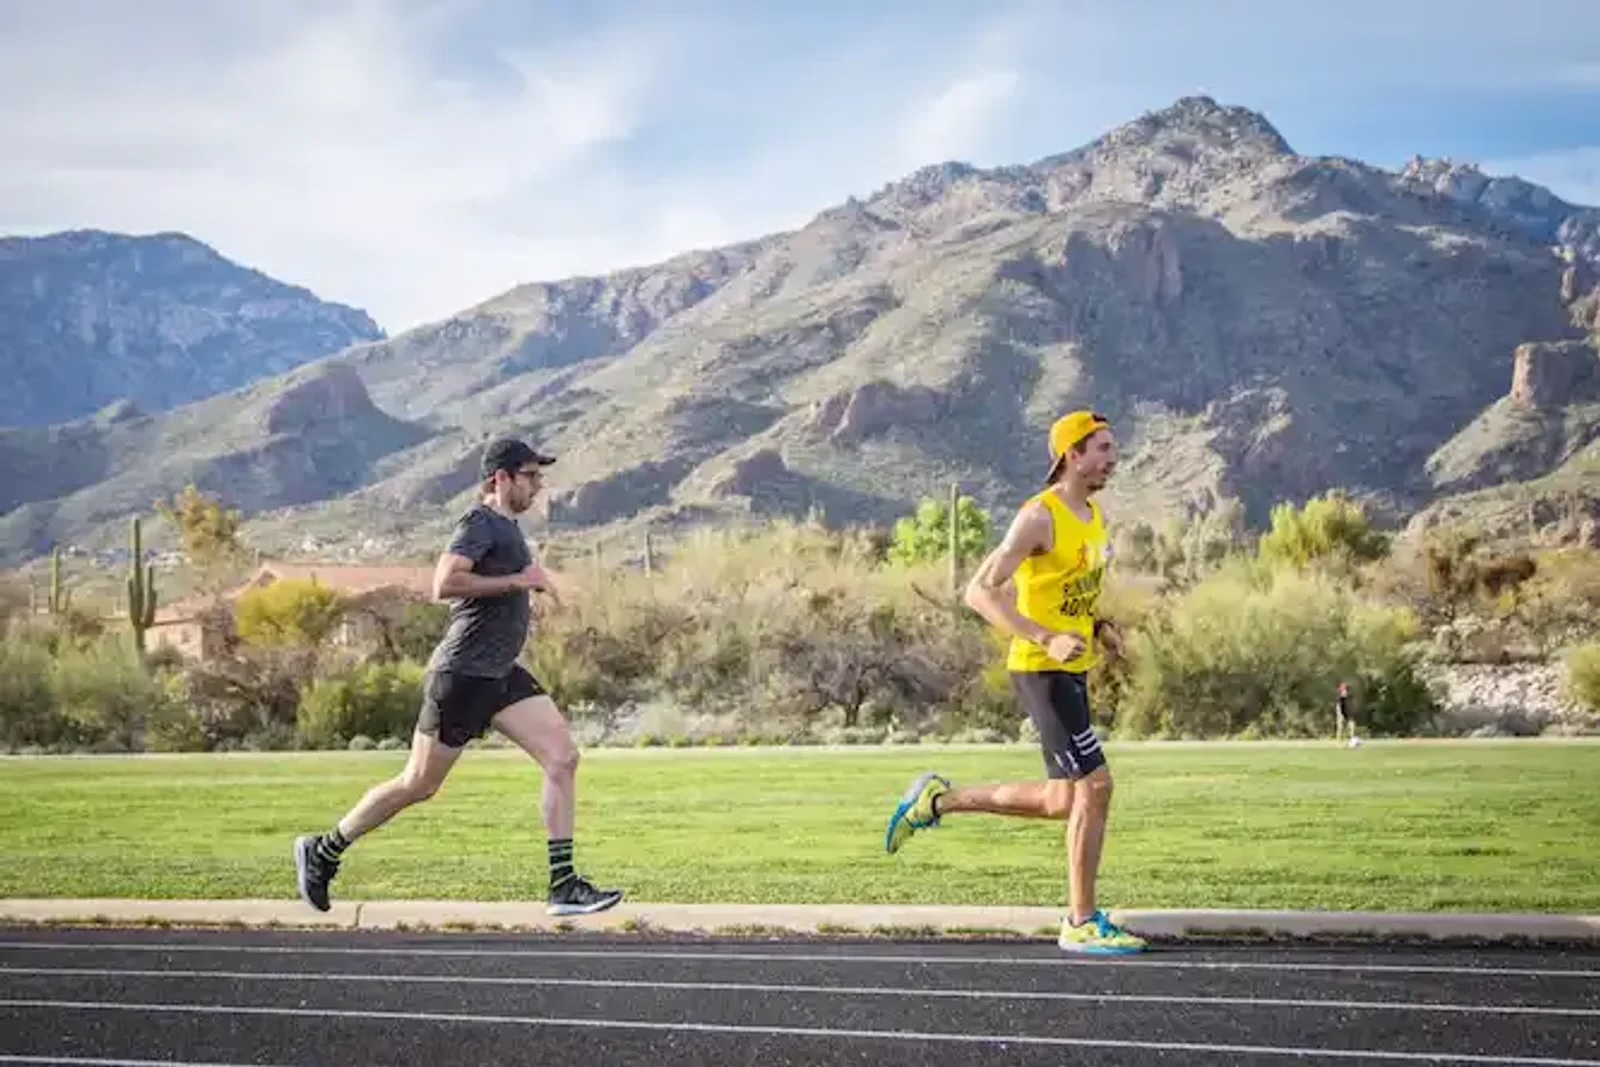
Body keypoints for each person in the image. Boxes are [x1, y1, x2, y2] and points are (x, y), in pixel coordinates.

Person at [294, 436, 624, 917]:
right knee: (418, 784)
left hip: (501, 674)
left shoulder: (508, 529)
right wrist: (519, 581)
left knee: (563, 758)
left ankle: (563, 886)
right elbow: (444, 583)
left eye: (539, 476)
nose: (538, 485)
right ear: (501, 478)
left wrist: (536, 590)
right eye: (530, 476)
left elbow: (509, 584)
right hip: (464, 674)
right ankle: (323, 850)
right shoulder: (478, 523)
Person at [883, 410, 1146, 954]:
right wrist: (1046, 638)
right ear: (1072, 455)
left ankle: (936, 802)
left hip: (1071, 669)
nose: (1112, 458)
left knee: (1061, 800)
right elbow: (979, 592)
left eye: (1112, 448)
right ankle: (1080, 921)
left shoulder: (1093, 516)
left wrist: (1098, 627)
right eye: (1102, 448)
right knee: (1096, 787)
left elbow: (1066, 591)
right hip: (1040, 669)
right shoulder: (1038, 516)